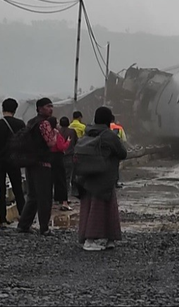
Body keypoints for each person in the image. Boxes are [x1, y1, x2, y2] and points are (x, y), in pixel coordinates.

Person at [76, 106, 127, 251]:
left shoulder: (87, 133)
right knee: (105, 209)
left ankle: (91, 238)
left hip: (86, 177)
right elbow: (122, 153)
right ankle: (93, 241)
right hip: (104, 177)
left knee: (88, 208)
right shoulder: (109, 135)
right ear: (109, 120)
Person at [17, 98, 56, 236]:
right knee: (44, 196)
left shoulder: (31, 122)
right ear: (39, 108)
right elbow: (51, 143)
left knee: (32, 196)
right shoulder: (44, 123)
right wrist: (55, 133)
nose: (51, 109)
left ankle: (23, 225)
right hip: (43, 164)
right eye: (47, 106)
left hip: (30, 163)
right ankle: (44, 228)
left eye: (51, 106)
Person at [0, 98, 26, 227]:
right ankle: (24, 218)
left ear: (2, 108)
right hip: (14, 162)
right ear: (15, 109)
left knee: (1, 191)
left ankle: (2, 220)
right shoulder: (20, 124)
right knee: (18, 190)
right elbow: (24, 144)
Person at [48, 117, 72, 211]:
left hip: (48, 157)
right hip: (58, 158)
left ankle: (51, 200)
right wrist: (68, 142)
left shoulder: (46, 134)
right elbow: (61, 147)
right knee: (61, 180)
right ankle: (64, 202)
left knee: (50, 180)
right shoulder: (55, 133)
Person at [59, 116, 77, 196]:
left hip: (59, 156)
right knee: (68, 177)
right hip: (69, 156)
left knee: (59, 177)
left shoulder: (57, 131)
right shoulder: (72, 131)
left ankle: (59, 195)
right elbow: (76, 142)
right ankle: (66, 196)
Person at [110, 115, 126, 188]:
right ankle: (115, 183)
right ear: (114, 120)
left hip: (105, 150)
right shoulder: (119, 128)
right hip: (116, 150)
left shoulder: (104, 128)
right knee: (115, 167)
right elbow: (124, 140)